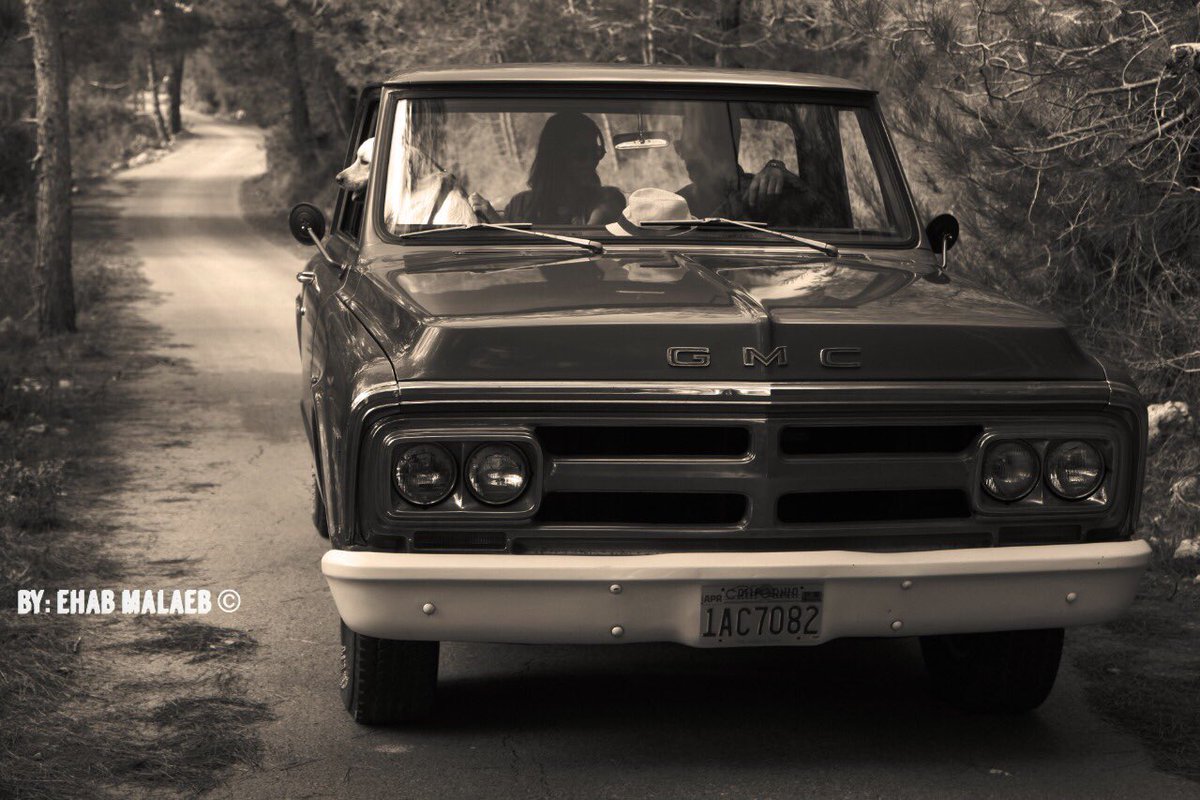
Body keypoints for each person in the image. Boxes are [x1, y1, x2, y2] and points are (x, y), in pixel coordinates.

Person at [673, 103, 835, 228]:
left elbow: (829, 224)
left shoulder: (766, 195)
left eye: (690, 147)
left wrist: (787, 178)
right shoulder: (674, 205)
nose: (683, 156)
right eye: (680, 147)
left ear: (719, 147)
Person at [470, 112, 625, 226]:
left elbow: (586, 246)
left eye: (596, 153)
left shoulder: (609, 200)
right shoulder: (520, 205)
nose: (592, 162)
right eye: (581, 154)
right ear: (555, 158)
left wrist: (497, 222)